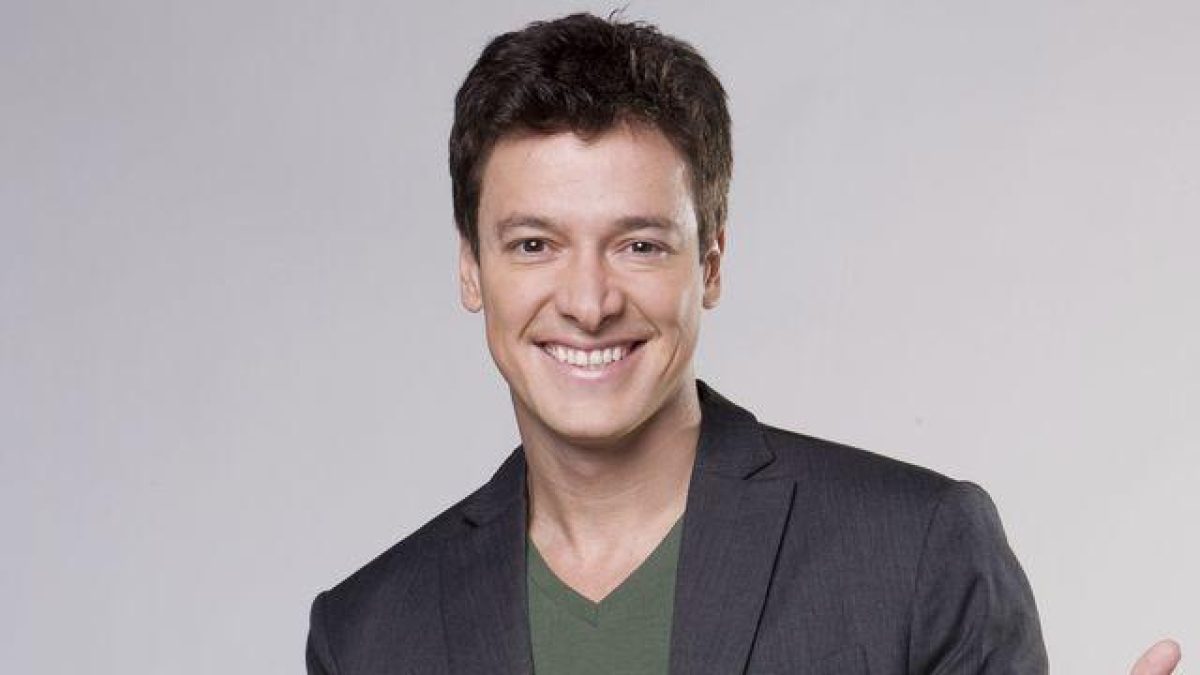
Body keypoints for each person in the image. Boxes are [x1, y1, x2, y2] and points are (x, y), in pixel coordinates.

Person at [306, 13, 1180, 675]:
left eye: (639, 244)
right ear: (472, 268)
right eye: (535, 244)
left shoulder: (916, 553)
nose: (588, 301)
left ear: (711, 263)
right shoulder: (367, 632)